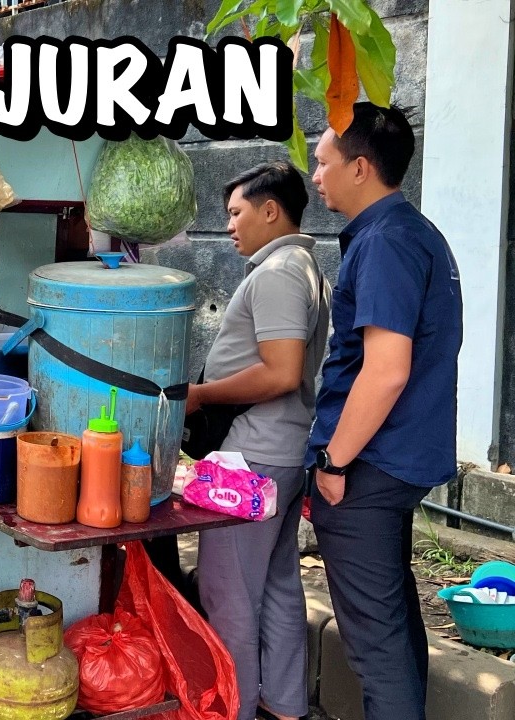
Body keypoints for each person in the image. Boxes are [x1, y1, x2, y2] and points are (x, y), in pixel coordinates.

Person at [308, 103, 462, 720]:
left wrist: (332, 460)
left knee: (374, 644)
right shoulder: (412, 233)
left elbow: (387, 367)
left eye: (323, 163)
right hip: (398, 458)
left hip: (369, 464)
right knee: (394, 626)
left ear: (361, 168)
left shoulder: (387, 242)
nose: (315, 176)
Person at [187, 161, 330, 720]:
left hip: (255, 458)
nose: (229, 226)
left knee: (228, 593)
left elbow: (281, 373)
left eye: (236, 212)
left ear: (271, 211)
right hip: (282, 453)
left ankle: (236, 707)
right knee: (274, 584)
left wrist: (202, 396)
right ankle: (285, 703)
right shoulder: (300, 266)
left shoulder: (278, 273)